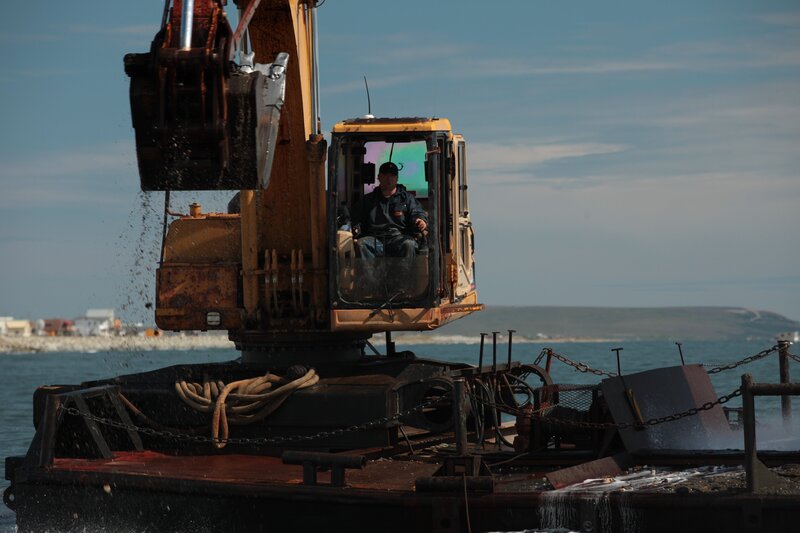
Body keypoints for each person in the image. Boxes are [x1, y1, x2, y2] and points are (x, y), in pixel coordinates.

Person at [353, 161, 428, 258]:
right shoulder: (368, 200)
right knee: (361, 244)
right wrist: (356, 228)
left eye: (392, 175)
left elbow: (417, 213)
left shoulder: (407, 198)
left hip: (399, 237)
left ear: (397, 178)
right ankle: (370, 269)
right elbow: (357, 219)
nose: (389, 178)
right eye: (385, 175)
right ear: (379, 177)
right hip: (375, 238)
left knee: (409, 244)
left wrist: (420, 220)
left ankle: (404, 269)